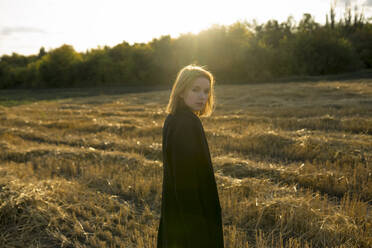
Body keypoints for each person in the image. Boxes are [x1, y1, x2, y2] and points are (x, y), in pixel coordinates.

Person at [157, 64, 224, 248]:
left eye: (206, 91)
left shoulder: (173, 119)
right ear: (181, 91)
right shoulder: (187, 123)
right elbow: (185, 180)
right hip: (191, 216)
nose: (202, 96)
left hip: (177, 211)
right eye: (195, 90)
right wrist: (197, 227)